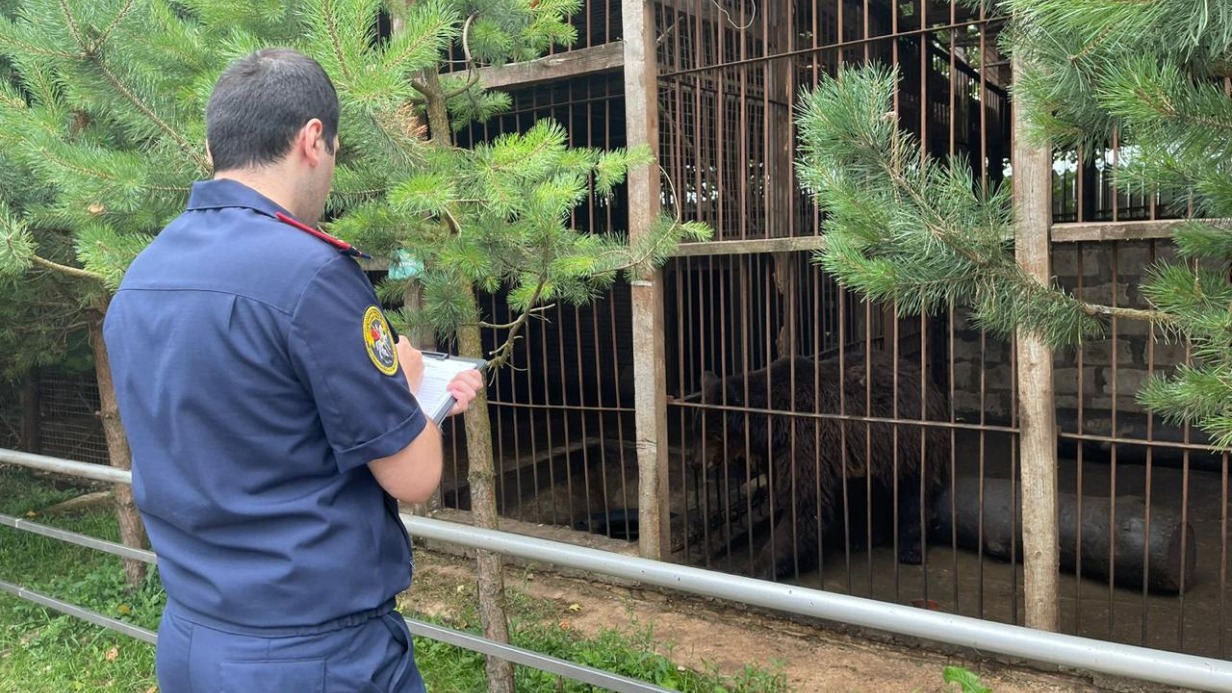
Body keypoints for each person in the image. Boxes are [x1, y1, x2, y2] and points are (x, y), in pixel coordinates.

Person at [102, 48, 482, 692]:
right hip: (314, 658)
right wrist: (411, 384)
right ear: (312, 140)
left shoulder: (143, 275)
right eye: (333, 153)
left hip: (192, 640)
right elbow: (414, 477)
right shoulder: (312, 276)